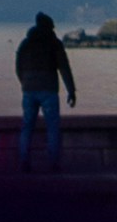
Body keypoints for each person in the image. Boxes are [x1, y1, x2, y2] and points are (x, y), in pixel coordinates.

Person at [13, 13, 76, 171]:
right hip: (49, 90)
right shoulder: (54, 44)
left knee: (27, 127)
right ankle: (54, 164)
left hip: (29, 90)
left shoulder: (25, 44)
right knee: (53, 127)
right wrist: (71, 91)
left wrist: (24, 83)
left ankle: (24, 162)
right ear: (50, 27)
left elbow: (18, 67)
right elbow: (64, 68)